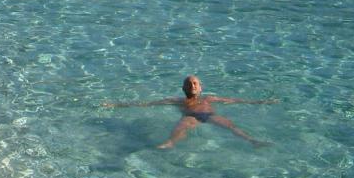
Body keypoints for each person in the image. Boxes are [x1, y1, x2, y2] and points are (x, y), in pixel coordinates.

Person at [102, 75, 276, 149]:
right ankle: (170, 143)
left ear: (201, 88)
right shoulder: (178, 101)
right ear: (183, 88)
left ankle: (253, 141)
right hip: (191, 116)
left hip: (210, 115)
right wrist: (117, 105)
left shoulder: (209, 99)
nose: (192, 85)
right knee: (181, 126)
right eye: (189, 83)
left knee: (230, 126)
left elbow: (236, 100)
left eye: (195, 84)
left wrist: (262, 102)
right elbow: (147, 104)